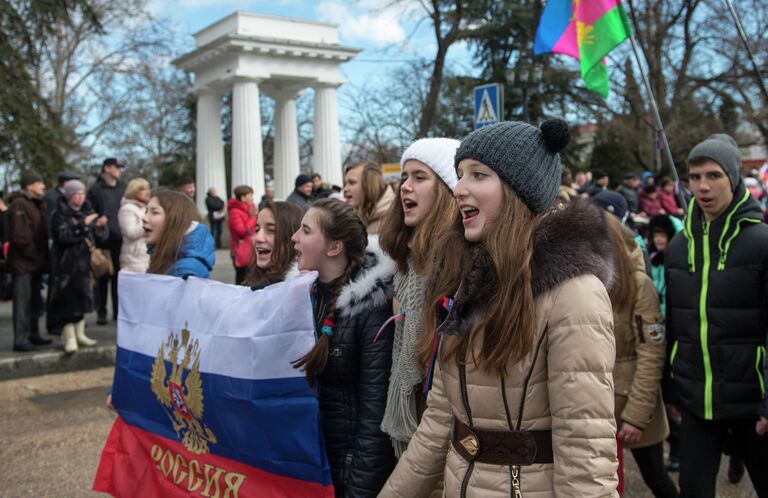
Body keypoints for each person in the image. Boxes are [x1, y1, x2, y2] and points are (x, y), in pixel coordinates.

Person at [380, 120, 619, 497]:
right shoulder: (468, 282)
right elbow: (439, 421)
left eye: (479, 175)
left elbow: (585, 448)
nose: (459, 190)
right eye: (460, 176)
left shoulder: (574, 294)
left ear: (518, 189)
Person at [665, 133, 768, 497]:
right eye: (694, 177)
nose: (702, 186)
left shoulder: (761, 241)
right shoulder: (679, 247)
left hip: (752, 402)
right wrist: (671, 385)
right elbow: (674, 323)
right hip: (696, 402)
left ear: (734, 178)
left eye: (713, 175)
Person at [291, 198, 396, 497]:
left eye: (305, 230)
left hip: (347, 472)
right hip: (309, 466)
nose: (294, 237)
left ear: (333, 248)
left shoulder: (371, 309)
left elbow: (375, 416)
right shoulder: (299, 300)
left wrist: (358, 489)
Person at [378, 137, 460, 457]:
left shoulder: (459, 265)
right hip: (413, 423)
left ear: (446, 191)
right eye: (404, 177)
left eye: (419, 177)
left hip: (446, 432)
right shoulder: (405, 264)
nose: (405, 187)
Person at [600, 209, 678, 498]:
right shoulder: (585, 283)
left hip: (634, 402)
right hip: (599, 406)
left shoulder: (639, 284)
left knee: (656, 478)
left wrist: (636, 415)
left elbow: (651, 354)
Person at [49, 180, 108, 353]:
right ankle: (69, 337)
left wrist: (100, 227)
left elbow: (99, 238)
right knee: (68, 303)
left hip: (85, 264)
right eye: (76, 194)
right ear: (68, 196)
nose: (81, 197)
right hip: (66, 266)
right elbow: (63, 236)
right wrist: (83, 225)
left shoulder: (87, 211)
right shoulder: (59, 213)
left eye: (82, 193)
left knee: (83, 299)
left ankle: (80, 333)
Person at [8, 171, 52, 351]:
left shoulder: (35, 204)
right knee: (22, 303)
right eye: (39, 183)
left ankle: (33, 334)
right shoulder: (19, 204)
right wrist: (34, 254)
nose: (43, 186)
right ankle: (21, 339)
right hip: (23, 264)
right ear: (29, 186)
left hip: (35, 264)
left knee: (34, 302)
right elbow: (20, 236)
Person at [87, 157, 126, 325]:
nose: (119, 170)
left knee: (119, 277)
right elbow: (89, 212)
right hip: (102, 240)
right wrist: (97, 222)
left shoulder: (123, 188)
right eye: (117, 167)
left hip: (120, 239)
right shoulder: (95, 190)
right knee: (102, 276)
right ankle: (101, 311)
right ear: (107, 169)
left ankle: (118, 312)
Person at [143, 190, 215, 279]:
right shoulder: (169, 257)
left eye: (155, 212)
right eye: (146, 211)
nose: (144, 218)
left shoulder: (184, 270)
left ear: (175, 220)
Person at [243, 200, 303, 290]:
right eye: (257, 230)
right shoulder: (254, 283)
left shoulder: (302, 290)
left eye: (271, 230)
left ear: (293, 236)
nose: (258, 238)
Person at [343, 161, 395, 235]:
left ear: (370, 185)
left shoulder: (393, 221)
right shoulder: (355, 217)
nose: (345, 189)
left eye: (352, 183)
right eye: (345, 184)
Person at [117, 178, 150, 273]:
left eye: (148, 189)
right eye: (143, 189)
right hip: (133, 258)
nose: (147, 192)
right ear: (134, 191)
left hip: (144, 256)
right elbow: (130, 233)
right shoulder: (127, 209)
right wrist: (147, 224)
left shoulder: (144, 208)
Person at [227, 185, 257, 285]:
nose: (252, 198)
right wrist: (252, 217)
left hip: (250, 250)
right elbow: (242, 232)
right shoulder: (234, 212)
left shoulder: (249, 210)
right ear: (242, 197)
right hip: (240, 251)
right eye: (250, 196)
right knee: (242, 279)